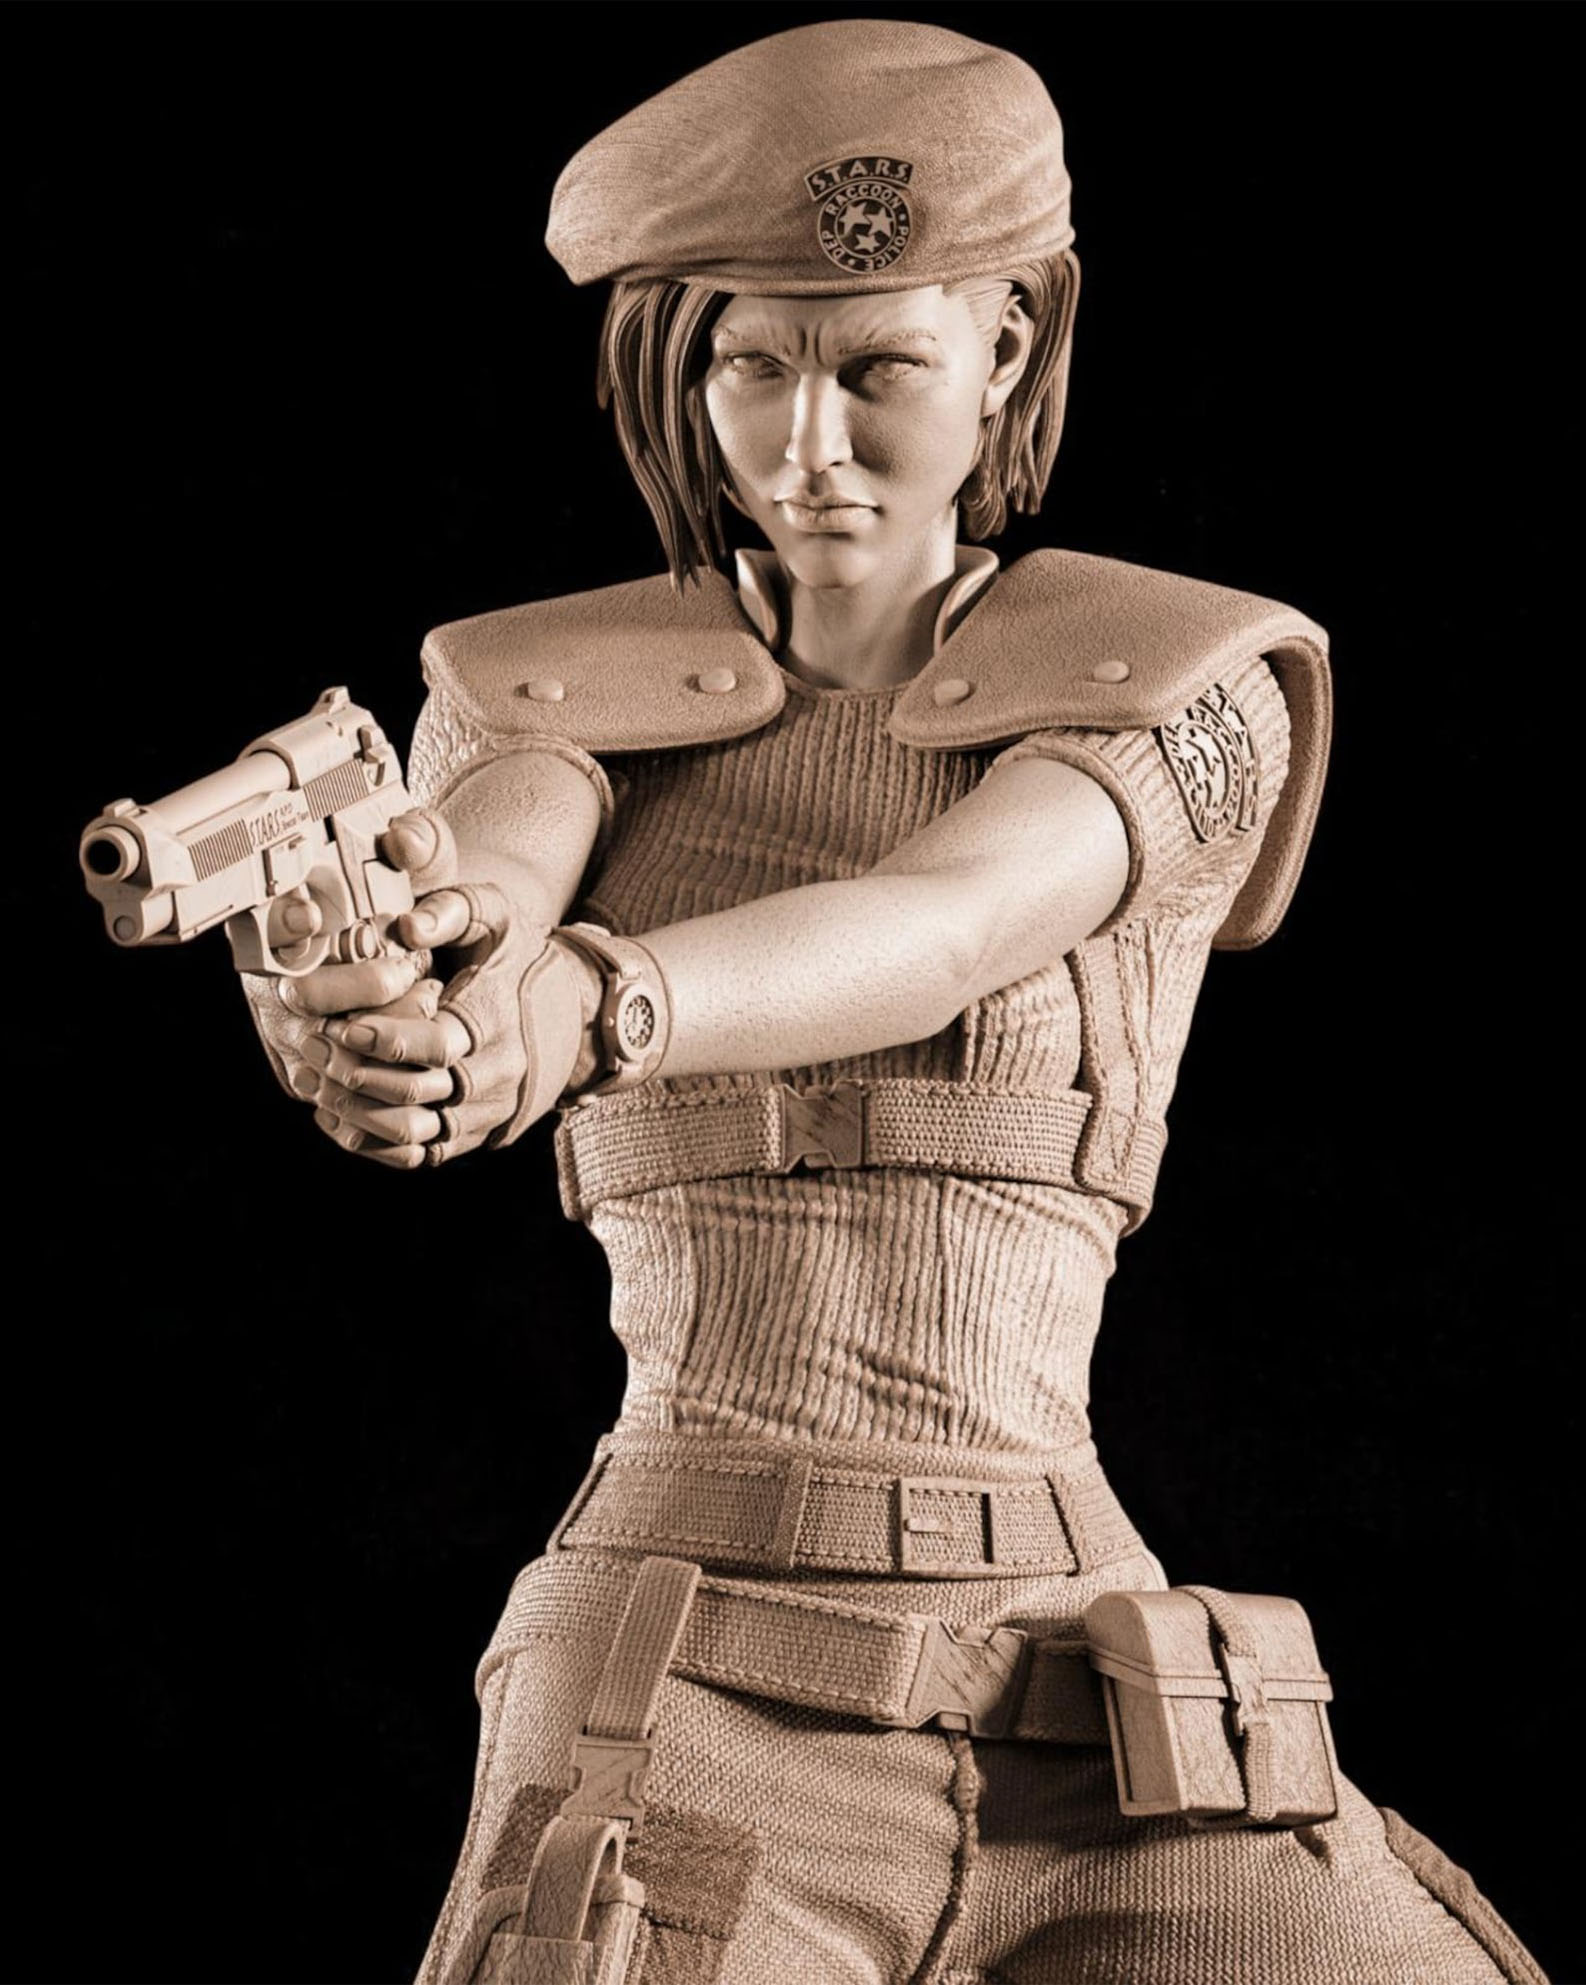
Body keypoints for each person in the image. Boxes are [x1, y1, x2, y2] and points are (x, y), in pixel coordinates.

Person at [239, 21, 1547, 1985]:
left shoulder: (1183, 690)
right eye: (748, 366)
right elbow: (491, 878)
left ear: (1005, 347)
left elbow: (950, 918)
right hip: (684, 1674)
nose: (805, 446)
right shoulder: (534, 699)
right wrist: (409, 1004)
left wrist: (598, 1002)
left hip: (1079, 1675)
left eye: (876, 370)